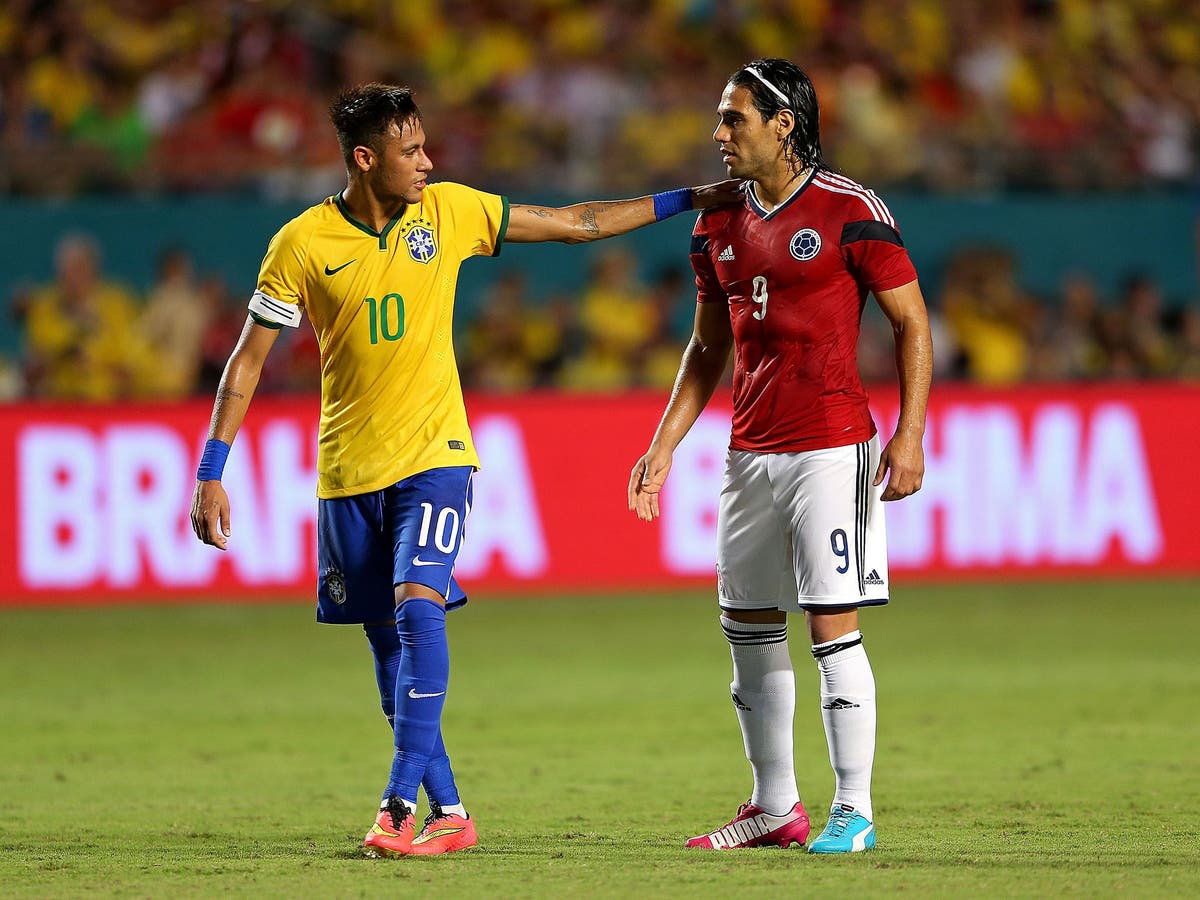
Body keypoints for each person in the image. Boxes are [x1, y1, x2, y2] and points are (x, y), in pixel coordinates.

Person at [189, 82, 737, 858]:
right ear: (364, 158)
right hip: (347, 473)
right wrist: (213, 468)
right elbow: (246, 364)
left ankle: (393, 805)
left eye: (426, 147)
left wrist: (693, 196)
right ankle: (450, 810)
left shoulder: (449, 211)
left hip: (437, 456)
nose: (428, 161)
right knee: (389, 658)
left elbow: (578, 223)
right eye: (411, 150)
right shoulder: (301, 244)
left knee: (420, 608)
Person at [628, 59, 933, 854]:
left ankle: (854, 810)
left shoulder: (849, 209)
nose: (719, 134)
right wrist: (662, 445)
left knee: (832, 628)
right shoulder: (715, 223)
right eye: (720, 119)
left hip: (831, 448)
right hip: (748, 451)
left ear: (783, 124)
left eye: (734, 119)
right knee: (747, 626)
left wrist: (909, 433)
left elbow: (911, 323)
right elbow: (705, 346)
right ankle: (775, 806)